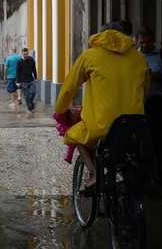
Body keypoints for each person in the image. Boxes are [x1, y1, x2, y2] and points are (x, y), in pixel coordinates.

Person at [54, 21, 149, 190]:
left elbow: (69, 89)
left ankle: (94, 173)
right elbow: (146, 89)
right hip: (134, 123)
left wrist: (60, 111)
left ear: (101, 35)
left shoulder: (90, 56)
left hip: (101, 125)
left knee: (75, 135)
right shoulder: (139, 57)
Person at [136, 27, 162, 180]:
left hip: (158, 100)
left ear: (153, 41)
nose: (145, 45)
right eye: (142, 42)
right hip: (139, 101)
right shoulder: (135, 56)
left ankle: (159, 167)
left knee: (156, 134)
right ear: (137, 41)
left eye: (148, 42)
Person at [16, 48, 38, 112]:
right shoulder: (19, 62)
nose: (25, 55)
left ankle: (31, 102)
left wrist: (35, 77)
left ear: (28, 53)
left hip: (31, 79)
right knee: (27, 95)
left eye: (26, 54)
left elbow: (34, 69)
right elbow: (18, 72)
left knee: (33, 92)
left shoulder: (31, 59)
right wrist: (18, 82)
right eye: (24, 54)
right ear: (22, 54)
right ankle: (29, 107)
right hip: (23, 81)